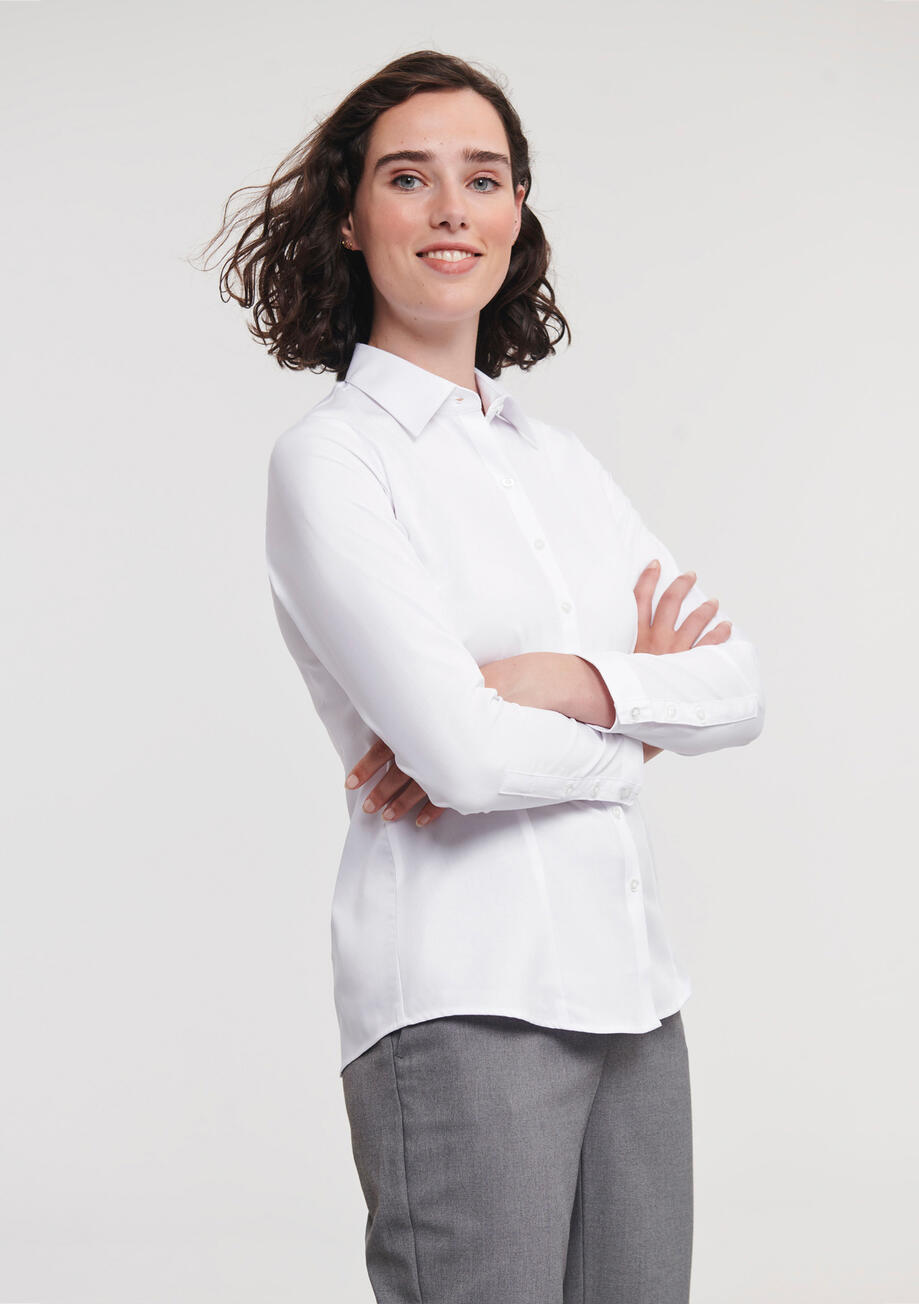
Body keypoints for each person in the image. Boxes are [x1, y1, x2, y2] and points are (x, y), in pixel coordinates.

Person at [207, 48, 764, 1304]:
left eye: (484, 176)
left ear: (517, 211)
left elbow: (737, 685)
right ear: (350, 218)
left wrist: (557, 678)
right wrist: (640, 726)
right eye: (409, 177)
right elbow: (459, 759)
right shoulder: (335, 462)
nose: (451, 208)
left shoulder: (559, 464)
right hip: (464, 997)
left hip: (636, 995)